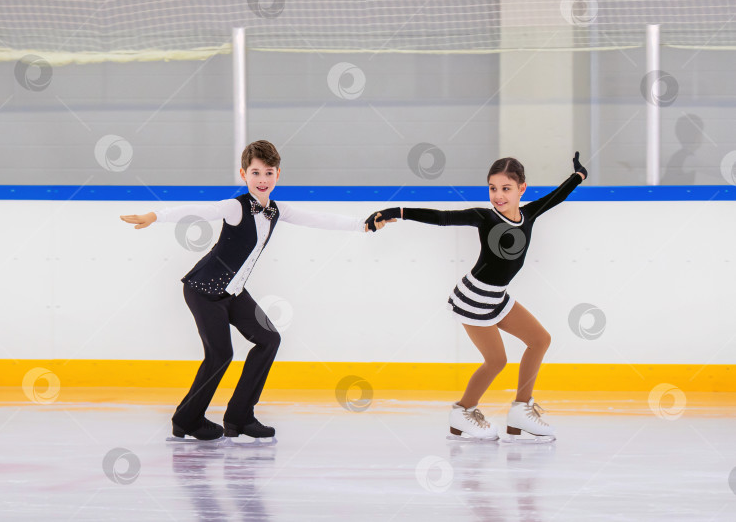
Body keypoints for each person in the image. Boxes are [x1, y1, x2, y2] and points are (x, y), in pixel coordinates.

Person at [120, 140, 387, 441]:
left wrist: (362, 225)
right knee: (220, 354)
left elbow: (316, 219)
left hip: (234, 292)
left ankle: (240, 417)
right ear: (244, 174)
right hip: (203, 291)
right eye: (255, 172)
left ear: (278, 175)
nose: (262, 179)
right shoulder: (235, 207)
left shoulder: (276, 210)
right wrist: (156, 216)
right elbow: (201, 210)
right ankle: (187, 420)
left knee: (269, 338)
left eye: (268, 173)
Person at [366, 153, 587, 441]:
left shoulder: (529, 214)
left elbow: (558, 195)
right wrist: (397, 210)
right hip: (474, 299)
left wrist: (578, 176)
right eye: (493, 188)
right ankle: (462, 411)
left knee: (540, 340)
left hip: (497, 297)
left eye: (506, 188)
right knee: (496, 360)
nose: (498, 195)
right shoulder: (484, 217)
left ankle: (521, 409)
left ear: (522, 188)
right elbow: (442, 218)